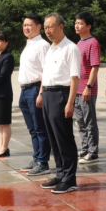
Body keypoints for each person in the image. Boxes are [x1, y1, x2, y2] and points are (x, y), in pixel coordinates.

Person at [39, 13, 81, 194]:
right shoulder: (51, 48)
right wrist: (41, 93)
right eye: (45, 28)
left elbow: (74, 78)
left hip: (61, 95)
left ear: (61, 27)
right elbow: (46, 74)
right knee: (53, 138)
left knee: (64, 138)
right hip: (48, 94)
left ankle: (69, 179)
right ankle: (60, 173)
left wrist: (70, 102)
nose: (48, 31)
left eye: (50, 27)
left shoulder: (70, 48)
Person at [18, 13, 52, 177]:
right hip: (24, 91)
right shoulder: (29, 44)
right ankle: (36, 158)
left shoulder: (42, 45)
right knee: (32, 129)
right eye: (24, 25)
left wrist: (41, 93)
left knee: (40, 128)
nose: (26, 28)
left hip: (35, 90)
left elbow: (46, 71)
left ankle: (43, 162)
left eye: (29, 25)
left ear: (39, 27)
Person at [73, 12, 101, 165]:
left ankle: (93, 151)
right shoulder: (79, 43)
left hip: (87, 89)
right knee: (80, 121)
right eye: (76, 23)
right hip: (77, 88)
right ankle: (85, 148)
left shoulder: (93, 43)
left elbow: (95, 67)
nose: (77, 26)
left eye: (80, 23)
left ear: (88, 26)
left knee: (89, 122)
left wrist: (88, 87)